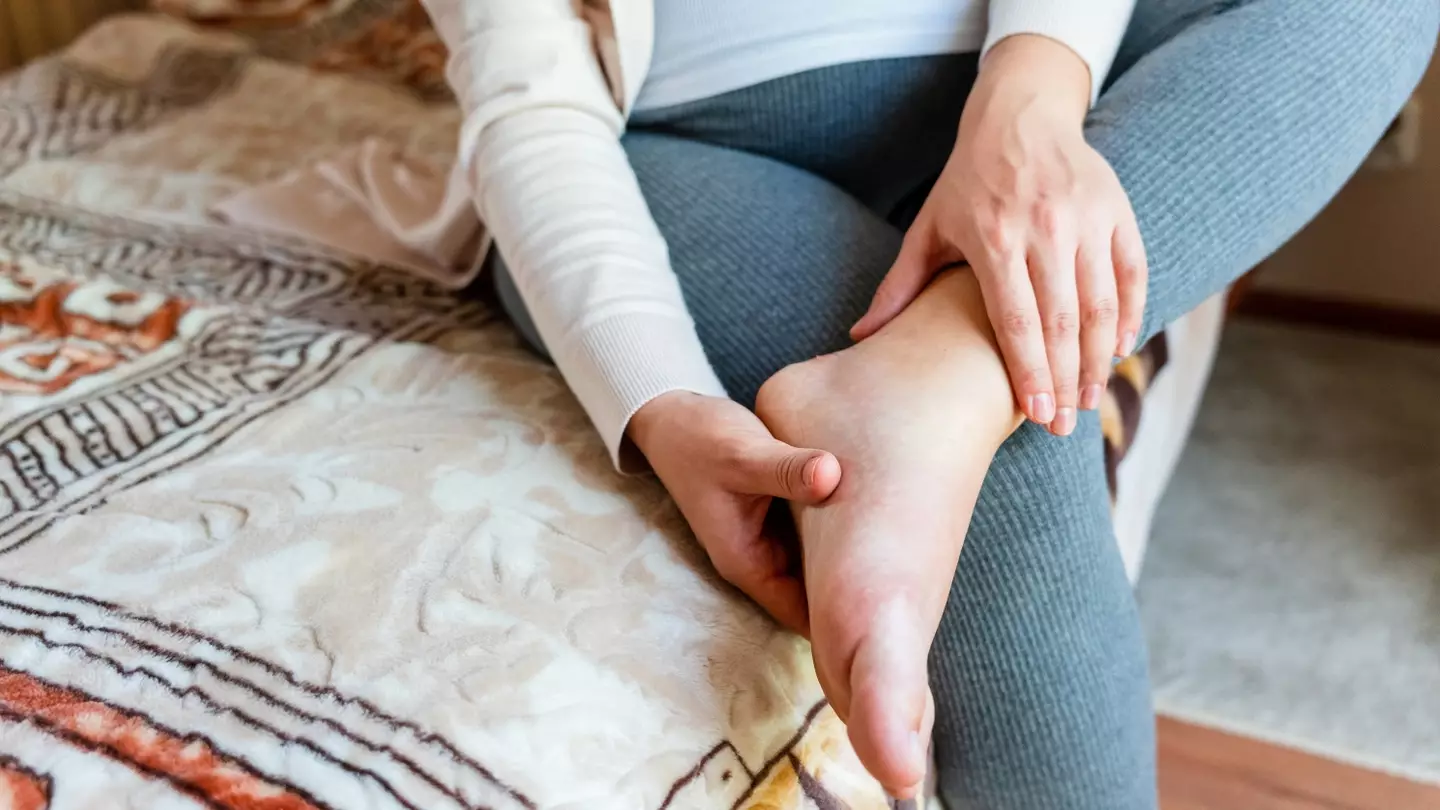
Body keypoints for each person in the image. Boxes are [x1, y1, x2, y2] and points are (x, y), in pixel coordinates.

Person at [420, 0, 1437, 805]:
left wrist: (1035, 85)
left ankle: (938, 380)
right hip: (680, 146)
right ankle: (945, 391)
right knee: (1019, 445)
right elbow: (529, 102)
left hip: (1019, 58)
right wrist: (659, 398)